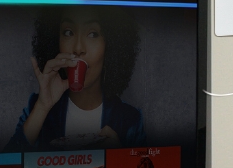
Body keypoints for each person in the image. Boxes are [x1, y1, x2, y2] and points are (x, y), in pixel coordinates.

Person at [10, 8, 146, 149]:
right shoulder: (36, 106)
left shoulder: (130, 120)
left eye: (93, 34)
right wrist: (42, 107)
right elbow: (4, 166)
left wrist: (116, 159)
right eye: (68, 32)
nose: (78, 48)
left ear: (110, 46)